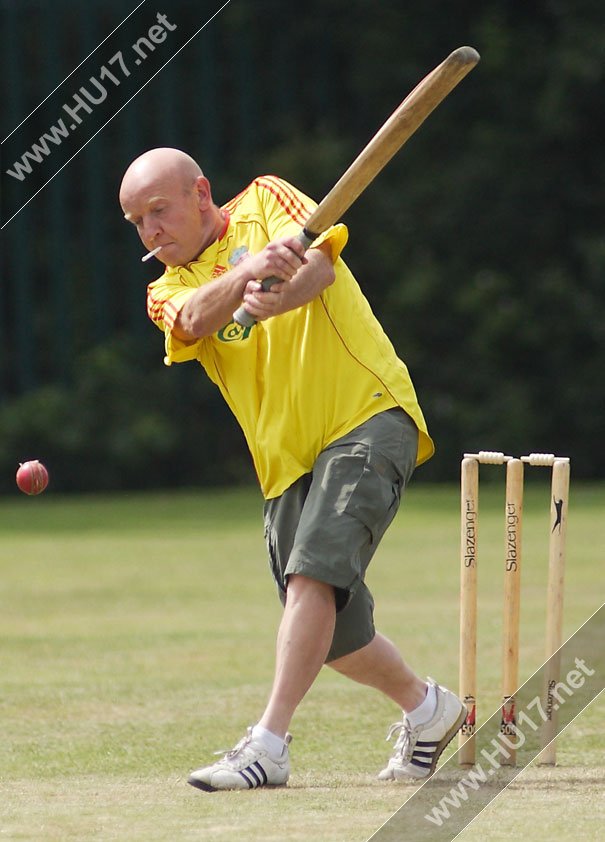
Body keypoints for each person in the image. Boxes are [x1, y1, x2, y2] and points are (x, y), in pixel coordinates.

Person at [119, 147, 466, 792]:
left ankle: (269, 746)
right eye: (137, 222)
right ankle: (429, 709)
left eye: (158, 211)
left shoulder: (266, 198)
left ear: (202, 192)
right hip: (283, 464)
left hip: (363, 416)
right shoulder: (165, 290)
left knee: (312, 579)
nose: (150, 232)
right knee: (333, 635)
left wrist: (281, 288)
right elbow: (194, 319)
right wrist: (247, 273)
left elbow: (321, 269)